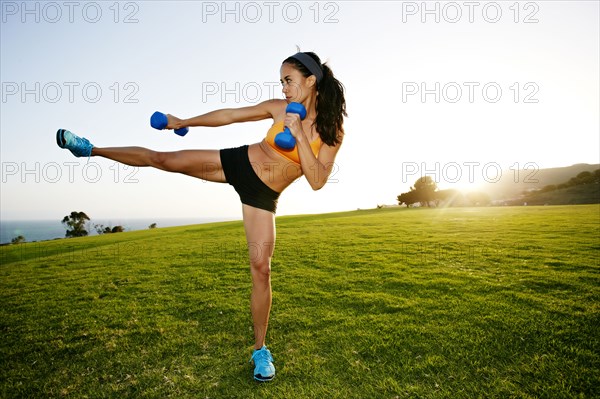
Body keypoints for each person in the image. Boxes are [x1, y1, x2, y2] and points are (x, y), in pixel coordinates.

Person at [56, 51, 347, 382]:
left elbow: (317, 180)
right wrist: (184, 122)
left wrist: (298, 138)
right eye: (281, 81)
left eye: (288, 81)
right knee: (161, 159)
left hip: (262, 195)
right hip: (238, 162)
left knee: (261, 269)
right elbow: (231, 115)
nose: (283, 88)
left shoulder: (330, 130)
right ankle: (90, 149)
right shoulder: (279, 108)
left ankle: (260, 349)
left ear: (310, 81)